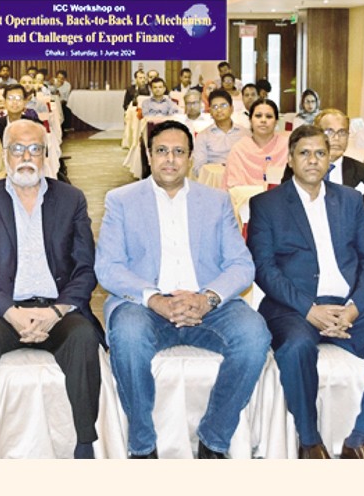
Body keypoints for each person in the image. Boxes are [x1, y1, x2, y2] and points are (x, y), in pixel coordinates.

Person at [96, 120, 270, 458]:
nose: (170, 159)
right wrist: (154, 299)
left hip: (208, 305)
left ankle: (214, 438)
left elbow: (241, 265)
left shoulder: (216, 201)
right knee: (127, 337)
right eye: (162, 151)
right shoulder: (122, 200)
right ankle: (142, 445)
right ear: (149, 155)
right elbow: (108, 267)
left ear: (190, 158)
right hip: (144, 306)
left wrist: (207, 298)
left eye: (179, 152)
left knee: (254, 336)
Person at [246, 124, 364, 459]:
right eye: (304, 153)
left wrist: (354, 308)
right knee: (296, 348)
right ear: (290, 159)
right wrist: (309, 310)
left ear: (329, 159)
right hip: (293, 307)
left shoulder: (350, 200)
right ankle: (309, 440)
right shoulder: (267, 204)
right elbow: (264, 269)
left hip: (347, 306)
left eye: (320, 153)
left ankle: (359, 437)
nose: (313, 160)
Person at [0, 120, 104, 459]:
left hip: (56, 307)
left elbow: (85, 268)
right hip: (0, 310)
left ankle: (84, 446)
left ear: (45, 154)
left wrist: (56, 311)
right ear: (5, 155)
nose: (26, 157)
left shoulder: (70, 199)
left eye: (35, 149)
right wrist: (10, 312)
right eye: (18, 149)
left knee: (83, 338)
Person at [282, 109, 364, 214]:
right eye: (329, 131)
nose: (337, 138)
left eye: (342, 132)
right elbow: (284, 208)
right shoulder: (299, 166)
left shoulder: (360, 170)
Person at [223, 99, 288, 189]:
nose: (263, 120)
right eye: (258, 116)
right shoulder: (239, 149)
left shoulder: (287, 147)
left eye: (269, 116)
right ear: (250, 120)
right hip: (245, 197)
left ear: (276, 121)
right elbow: (233, 186)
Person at [192, 90, 248, 177]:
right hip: (214, 180)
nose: (219, 110)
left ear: (231, 109)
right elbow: (198, 168)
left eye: (223, 105)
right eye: (214, 107)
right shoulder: (203, 136)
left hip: (241, 178)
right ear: (210, 111)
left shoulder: (245, 133)